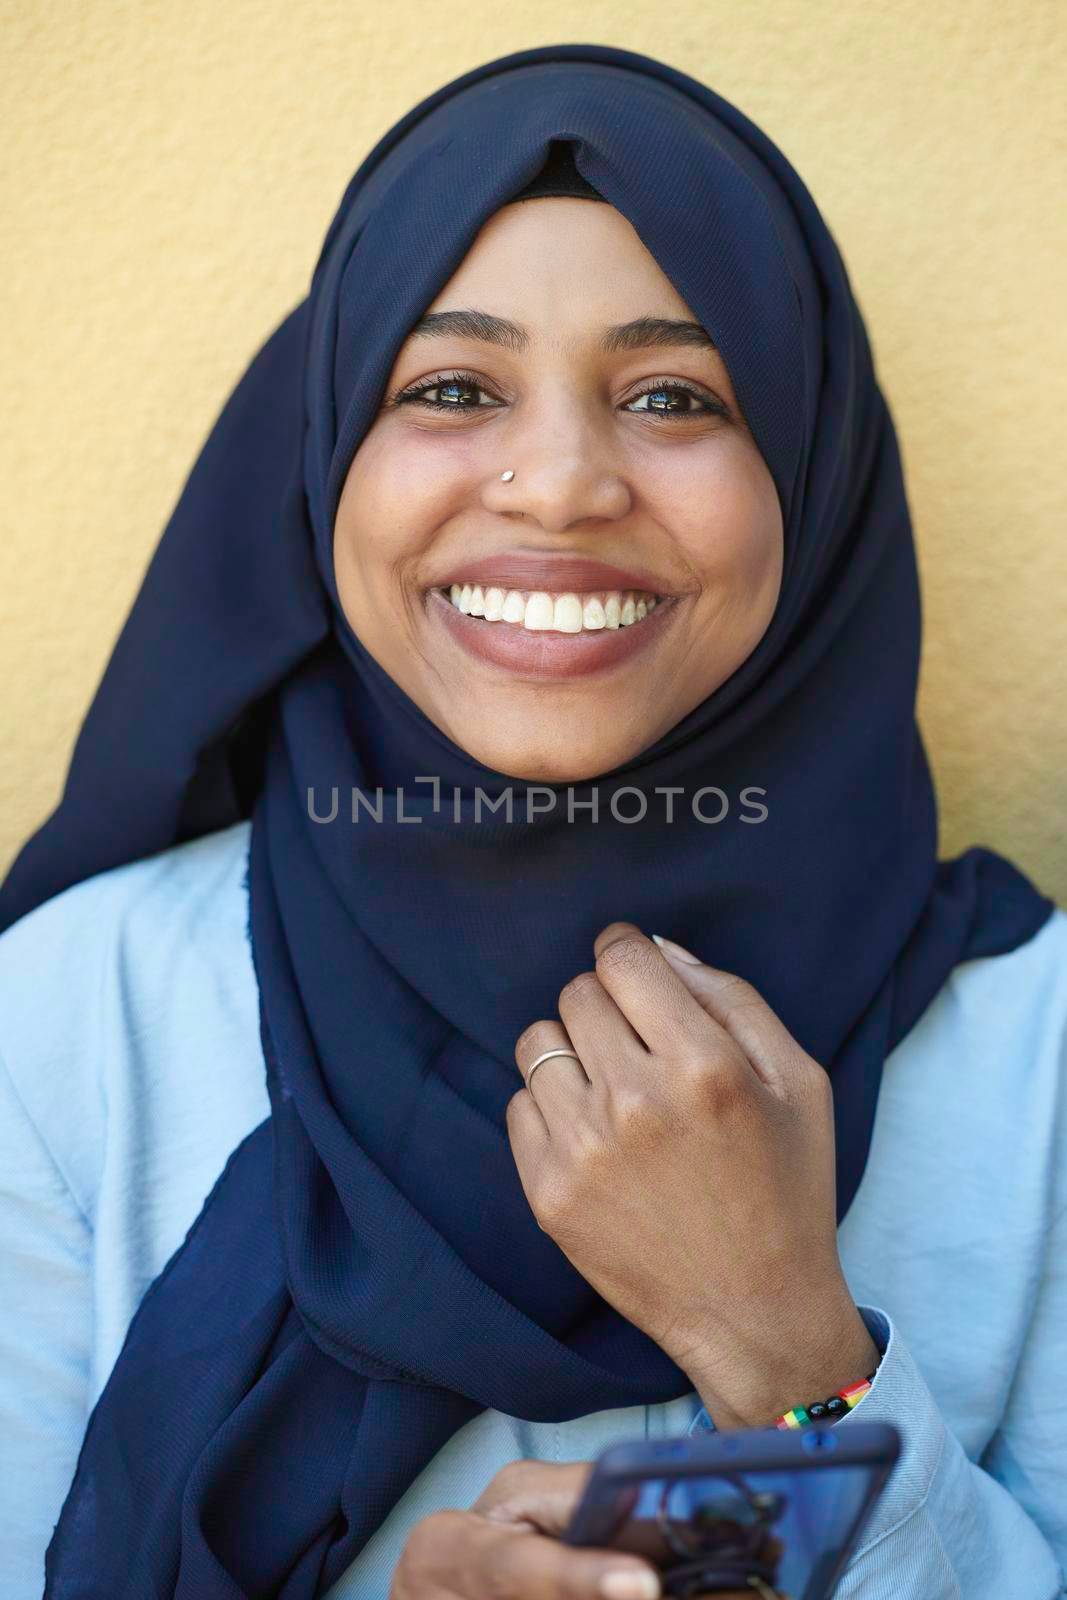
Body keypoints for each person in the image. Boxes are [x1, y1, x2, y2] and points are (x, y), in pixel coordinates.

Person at [0, 41, 1063, 1600]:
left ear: (814, 472)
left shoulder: (1036, 1049)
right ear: (320, 466)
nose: (561, 484)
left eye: (672, 395)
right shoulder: (73, 1019)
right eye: (449, 386)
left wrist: (791, 1355)